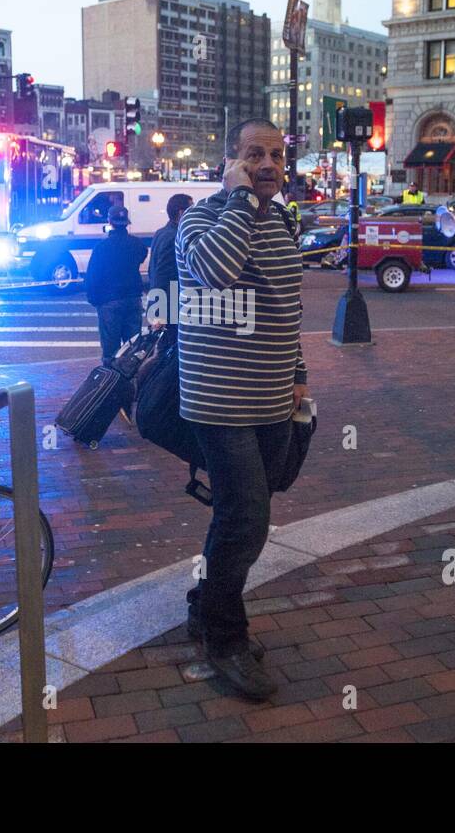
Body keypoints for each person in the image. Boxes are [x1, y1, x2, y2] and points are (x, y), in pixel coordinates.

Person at [176, 117, 309, 701]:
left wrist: (299, 374)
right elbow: (214, 272)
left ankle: (204, 605)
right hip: (219, 399)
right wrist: (237, 199)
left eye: (276, 155)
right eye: (254, 154)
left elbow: (286, 306)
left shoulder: (281, 218)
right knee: (247, 517)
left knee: (240, 511)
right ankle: (224, 637)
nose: (268, 165)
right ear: (231, 161)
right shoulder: (203, 218)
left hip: (273, 398)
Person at [86, 204, 147, 365]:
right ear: (127, 223)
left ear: (109, 222)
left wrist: (94, 299)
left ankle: (111, 383)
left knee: (110, 351)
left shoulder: (102, 247)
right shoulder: (137, 244)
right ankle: (132, 384)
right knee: (132, 348)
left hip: (109, 301)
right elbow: (141, 256)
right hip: (133, 299)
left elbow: (93, 276)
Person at [147, 192, 193, 341]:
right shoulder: (175, 237)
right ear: (181, 213)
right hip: (171, 307)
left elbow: (152, 270)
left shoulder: (161, 233)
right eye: (191, 209)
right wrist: (158, 312)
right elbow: (163, 274)